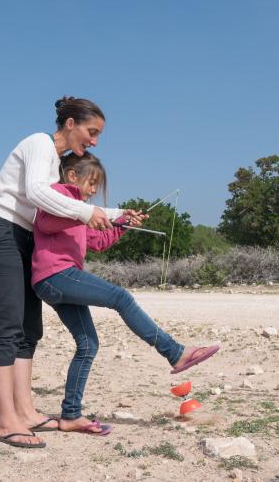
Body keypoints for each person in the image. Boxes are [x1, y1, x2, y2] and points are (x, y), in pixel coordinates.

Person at [0, 96, 144, 448]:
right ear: (70, 124)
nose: (94, 141)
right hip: (1, 234)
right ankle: (7, 422)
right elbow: (38, 194)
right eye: (91, 132)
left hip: (24, 241)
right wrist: (88, 213)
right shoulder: (39, 143)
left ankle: (27, 412)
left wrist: (118, 215)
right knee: (7, 327)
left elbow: (70, 206)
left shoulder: (55, 164)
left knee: (28, 330)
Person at [32, 152, 220, 436]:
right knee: (121, 297)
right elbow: (46, 222)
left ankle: (70, 415)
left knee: (87, 345)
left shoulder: (82, 211)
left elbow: (99, 242)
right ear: (72, 176)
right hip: (55, 275)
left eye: (97, 185)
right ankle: (175, 353)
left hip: (58, 281)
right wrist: (86, 213)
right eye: (92, 183)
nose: (95, 190)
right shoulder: (58, 196)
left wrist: (124, 224)